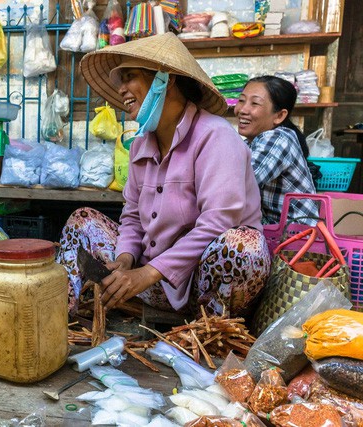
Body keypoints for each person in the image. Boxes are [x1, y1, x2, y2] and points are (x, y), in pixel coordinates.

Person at [57, 33, 270, 317]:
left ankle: (208, 333)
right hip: (150, 282)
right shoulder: (141, 145)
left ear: (164, 80)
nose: (122, 89)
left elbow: (218, 221)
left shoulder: (216, 136)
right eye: (121, 81)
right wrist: (125, 259)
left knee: (245, 245)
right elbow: (132, 217)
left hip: (202, 290)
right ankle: (57, 319)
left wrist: (148, 273)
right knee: (82, 220)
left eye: (130, 76)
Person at [234, 75, 318, 225]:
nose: (242, 110)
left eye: (254, 103)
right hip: (274, 232)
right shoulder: (249, 143)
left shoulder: (278, 139)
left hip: (297, 238)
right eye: (241, 100)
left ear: (279, 116)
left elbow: (238, 184)